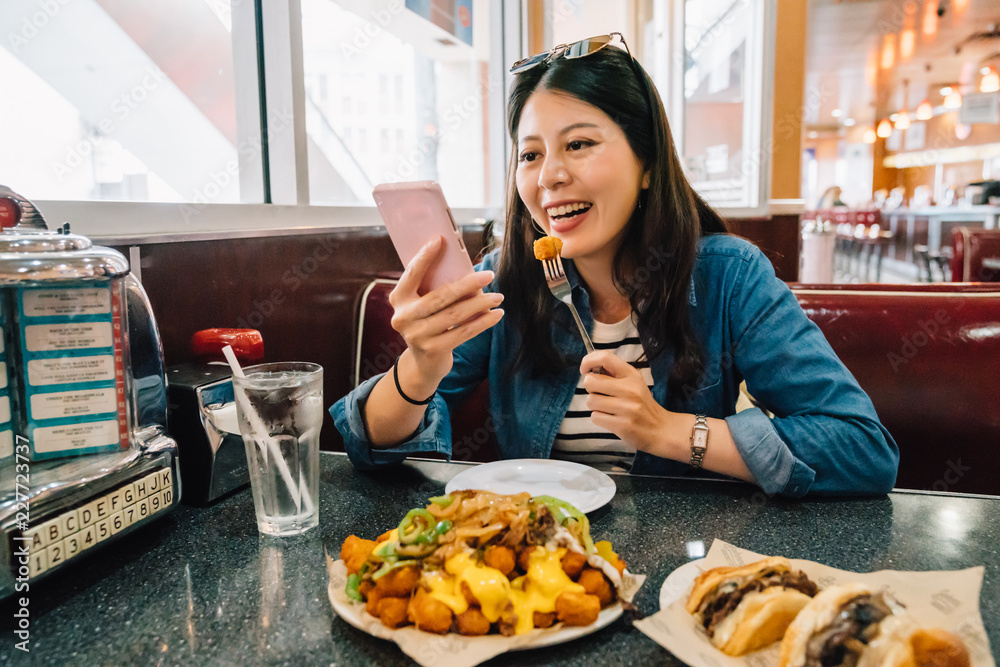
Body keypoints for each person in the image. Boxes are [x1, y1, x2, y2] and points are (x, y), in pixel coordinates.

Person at [332, 33, 898, 497]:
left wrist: (669, 431)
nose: (548, 175)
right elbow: (371, 449)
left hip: (682, 563)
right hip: (538, 571)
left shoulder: (728, 276)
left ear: (648, 163)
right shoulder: (507, 280)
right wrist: (420, 367)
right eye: (530, 154)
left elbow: (862, 449)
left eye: (578, 144)